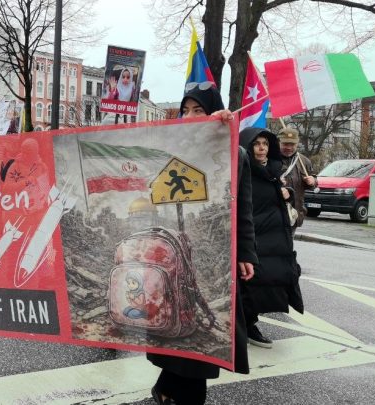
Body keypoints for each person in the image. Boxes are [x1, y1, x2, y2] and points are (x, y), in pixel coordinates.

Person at [148, 86, 257, 405]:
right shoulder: (173, 147)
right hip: (177, 252)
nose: (191, 116)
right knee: (183, 327)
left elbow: (243, 209)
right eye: (186, 110)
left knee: (204, 334)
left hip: (214, 256)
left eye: (199, 110)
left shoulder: (235, 153)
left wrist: (246, 253)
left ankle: (168, 389)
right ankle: (170, 390)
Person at [239, 127, 304, 350]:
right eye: (257, 144)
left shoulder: (273, 170)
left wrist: (288, 193)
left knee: (270, 282)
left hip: (275, 240)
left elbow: (277, 200)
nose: (261, 148)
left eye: (265, 144)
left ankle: (248, 324)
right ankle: (247, 325)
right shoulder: (244, 172)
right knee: (251, 285)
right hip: (254, 239)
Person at [278, 128, 316, 233]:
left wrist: (313, 181)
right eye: (285, 144)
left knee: (289, 242)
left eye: (292, 144)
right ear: (279, 142)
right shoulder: (270, 159)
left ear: (297, 144)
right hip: (273, 213)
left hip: (293, 213)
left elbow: (313, 181)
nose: (289, 147)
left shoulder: (304, 161)